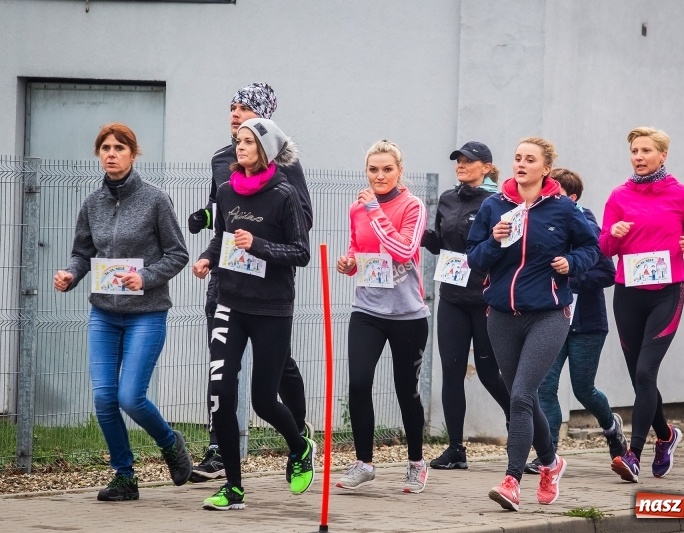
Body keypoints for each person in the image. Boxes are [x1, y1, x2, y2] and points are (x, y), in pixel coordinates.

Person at [53, 123, 192, 501]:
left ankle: (169, 442)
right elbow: (83, 252)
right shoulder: (92, 204)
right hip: (104, 314)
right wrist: (71, 274)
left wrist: (144, 278)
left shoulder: (155, 200)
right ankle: (124, 476)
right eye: (105, 148)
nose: (111, 154)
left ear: (133, 154)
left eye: (119, 148)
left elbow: (178, 254)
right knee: (103, 398)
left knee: (130, 397)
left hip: (146, 313)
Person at [186, 82, 313, 483]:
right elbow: (222, 221)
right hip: (228, 290)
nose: (235, 116)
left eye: (245, 110)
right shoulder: (222, 170)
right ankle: (227, 471)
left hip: (271, 296)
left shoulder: (285, 179)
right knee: (221, 383)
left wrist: (259, 243)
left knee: (267, 389)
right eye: (233, 108)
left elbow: (301, 237)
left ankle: (299, 438)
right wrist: (208, 250)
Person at [466, 137, 599, 510]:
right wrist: (494, 241)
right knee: (519, 398)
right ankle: (552, 464)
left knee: (523, 395)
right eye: (517, 158)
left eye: (530, 160)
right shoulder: (494, 207)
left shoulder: (562, 210)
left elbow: (592, 248)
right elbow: (475, 259)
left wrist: (571, 264)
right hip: (502, 317)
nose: (521, 164)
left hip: (548, 315)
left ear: (545, 168)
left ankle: (511, 480)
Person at [600, 127, 684, 483]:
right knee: (639, 377)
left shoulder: (681, 194)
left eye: (646, 150)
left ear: (662, 155)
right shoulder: (619, 195)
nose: (639, 156)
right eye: (635, 150)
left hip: (667, 291)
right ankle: (666, 435)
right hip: (628, 292)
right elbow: (604, 248)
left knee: (646, 373)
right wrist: (612, 235)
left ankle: (632, 455)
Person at [335, 140, 431, 494]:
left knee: (407, 390)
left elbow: (405, 250)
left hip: (407, 313)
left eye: (387, 169)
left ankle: (417, 463)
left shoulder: (412, 205)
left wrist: (375, 210)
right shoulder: (357, 208)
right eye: (373, 169)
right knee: (359, 383)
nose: (379, 175)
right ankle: (364, 463)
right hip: (367, 309)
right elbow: (358, 250)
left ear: (399, 171)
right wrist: (347, 263)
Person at [524, 168, 626, 475]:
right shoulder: (540, 226)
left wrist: (570, 277)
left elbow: (608, 273)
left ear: (572, 199)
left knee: (584, 389)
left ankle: (611, 429)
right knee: (545, 388)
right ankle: (548, 455)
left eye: (553, 193)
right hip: (551, 321)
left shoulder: (588, 227)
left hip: (587, 325)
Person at [420, 142, 510, 470]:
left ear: (486, 166)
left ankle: (520, 421)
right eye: (458, 159)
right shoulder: (447, 199)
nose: (461, 164)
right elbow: (441, 245)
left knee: (488, 373)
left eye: (468, 161)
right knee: (452, 372)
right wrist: (422, 236)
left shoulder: (497, 202)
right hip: (453, 298)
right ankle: (455, 448)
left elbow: (501, 247)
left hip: (485, 300)